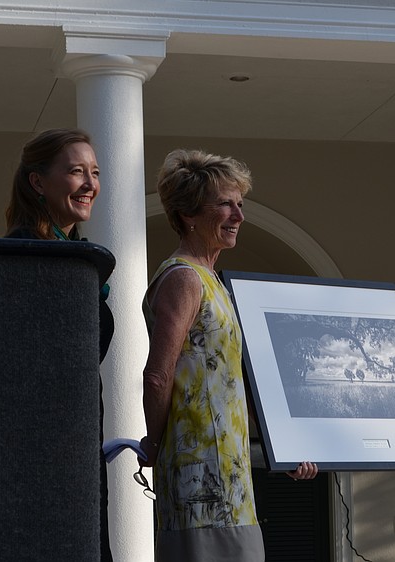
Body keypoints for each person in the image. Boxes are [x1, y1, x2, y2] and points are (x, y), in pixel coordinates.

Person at [138, 148, 317, 562]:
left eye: (241, 205)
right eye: (225, 204)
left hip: (231, 478)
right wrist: (156, 443)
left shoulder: (215, 281)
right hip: (199, 478)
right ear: (188, 214)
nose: (238, 216)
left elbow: (231, 384)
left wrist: (279, 450)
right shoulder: (184, 277)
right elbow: (157, 376)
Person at [4, 127, 114, 561]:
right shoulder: (22, 256)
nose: (90, 184)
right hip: (40, 446)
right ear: (37, 182)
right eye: (76, 172)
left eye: (95, 172)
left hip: (78, 435)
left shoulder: (78, 258)